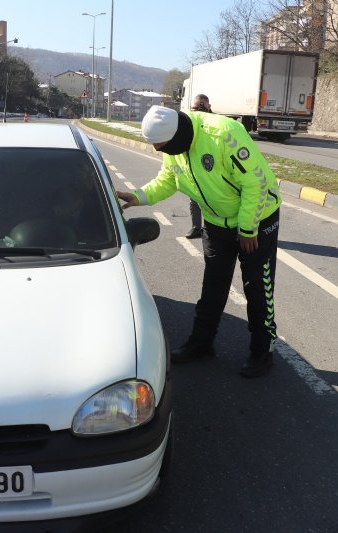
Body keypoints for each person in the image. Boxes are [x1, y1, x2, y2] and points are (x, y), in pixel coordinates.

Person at [117, 105, 282, 378]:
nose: (159, 151)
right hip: (217, 222)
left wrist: (248, 228)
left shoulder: (223, 134)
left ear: (177, 134)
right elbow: (169, 179)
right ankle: (201, 343)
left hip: (257, 220)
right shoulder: (175, 148)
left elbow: (256, 182)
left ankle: (262, 351)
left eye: (162, 146)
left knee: (257, 286)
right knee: (214, 284)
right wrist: (138, 196)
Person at [185, 94, 211, 239]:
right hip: (195, 168)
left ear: (209, 107)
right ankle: (196, 228)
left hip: (213, 169)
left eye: (202, 107)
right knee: (194, 199)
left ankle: (213, 229)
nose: (198, 111)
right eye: (195, 108)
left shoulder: (215, 122)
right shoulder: (188, 123)